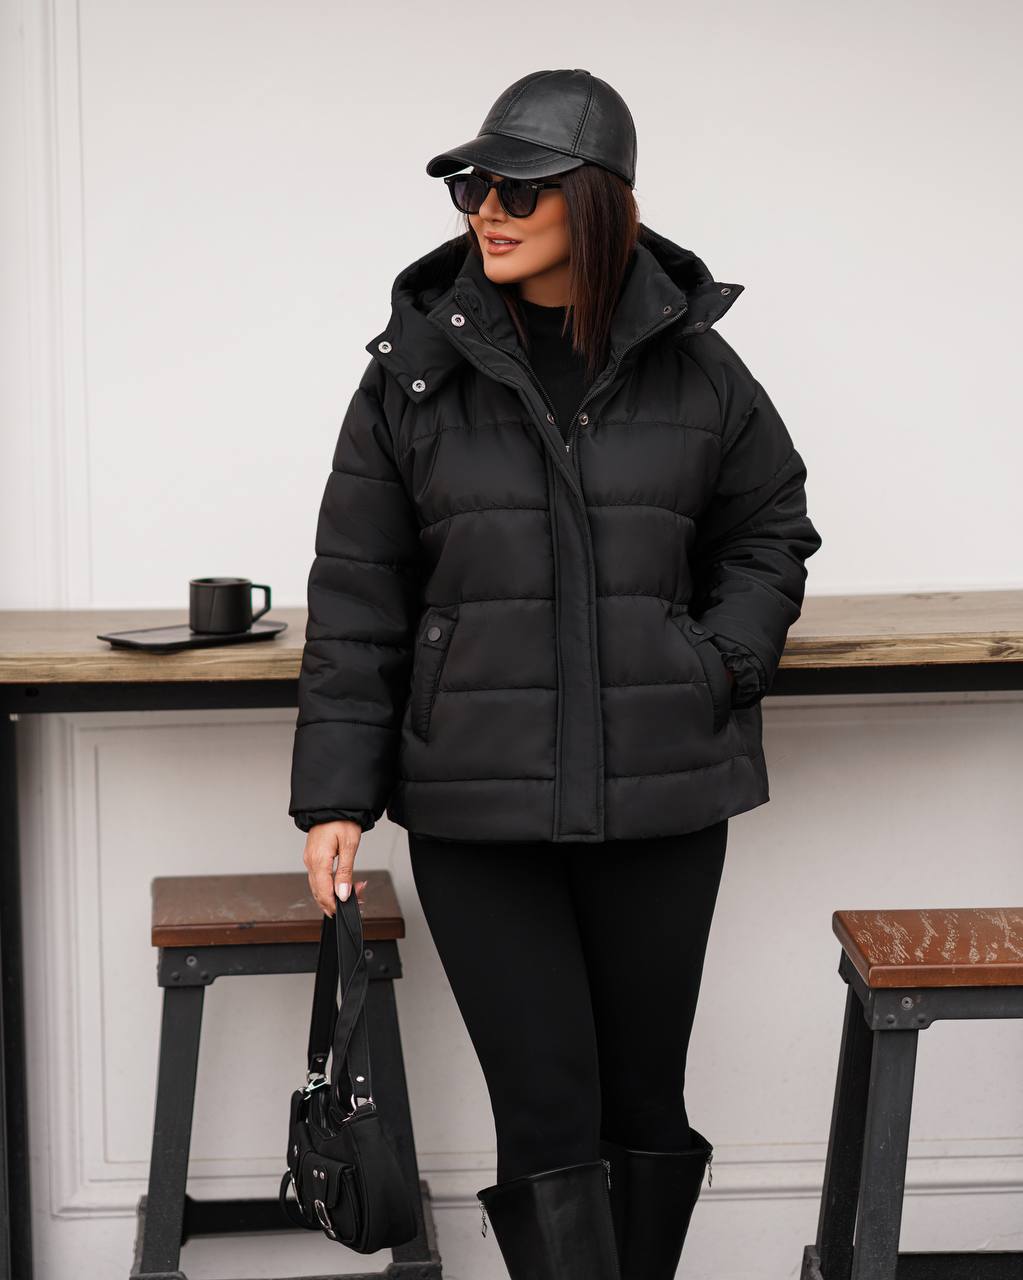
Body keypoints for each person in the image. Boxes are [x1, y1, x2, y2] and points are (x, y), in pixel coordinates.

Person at [289, 68, 823, 1280]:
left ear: (598, 200)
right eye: (472, 185)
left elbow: (770, 526)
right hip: (479, 803)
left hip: (661, 790)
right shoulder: (414, 375)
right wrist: (336, 794)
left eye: (517, 187)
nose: (486, 208)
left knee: (645, 1103)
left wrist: (721, 660)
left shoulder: (698, 370)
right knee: (545, 1111)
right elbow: (359, 591)